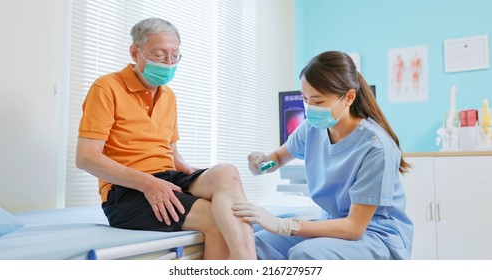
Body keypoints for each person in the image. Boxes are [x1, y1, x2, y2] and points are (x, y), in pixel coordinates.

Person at [75, 18, 256, 260]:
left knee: (227, 173)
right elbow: (86, 158)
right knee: (218, 219)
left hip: (167, 178)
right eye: (160, 55)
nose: (168, 63)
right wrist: (148, 184)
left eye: (174, 55)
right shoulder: (106, 88)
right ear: (134, 52)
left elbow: (170, 152)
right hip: (126, 192)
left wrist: (187, 168)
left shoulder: (168, 96)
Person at [233, 51, 413, 260]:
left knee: (304, 254)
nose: (309, 108)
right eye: (305, 98)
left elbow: (354, 227)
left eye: (318, 101)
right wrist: (263, 163)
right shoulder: (311, 128)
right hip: (333, 226)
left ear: (349, 97)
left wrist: (284, 226)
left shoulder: (375, 148)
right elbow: (279, 157)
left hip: (374, 237)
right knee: (255, 243)